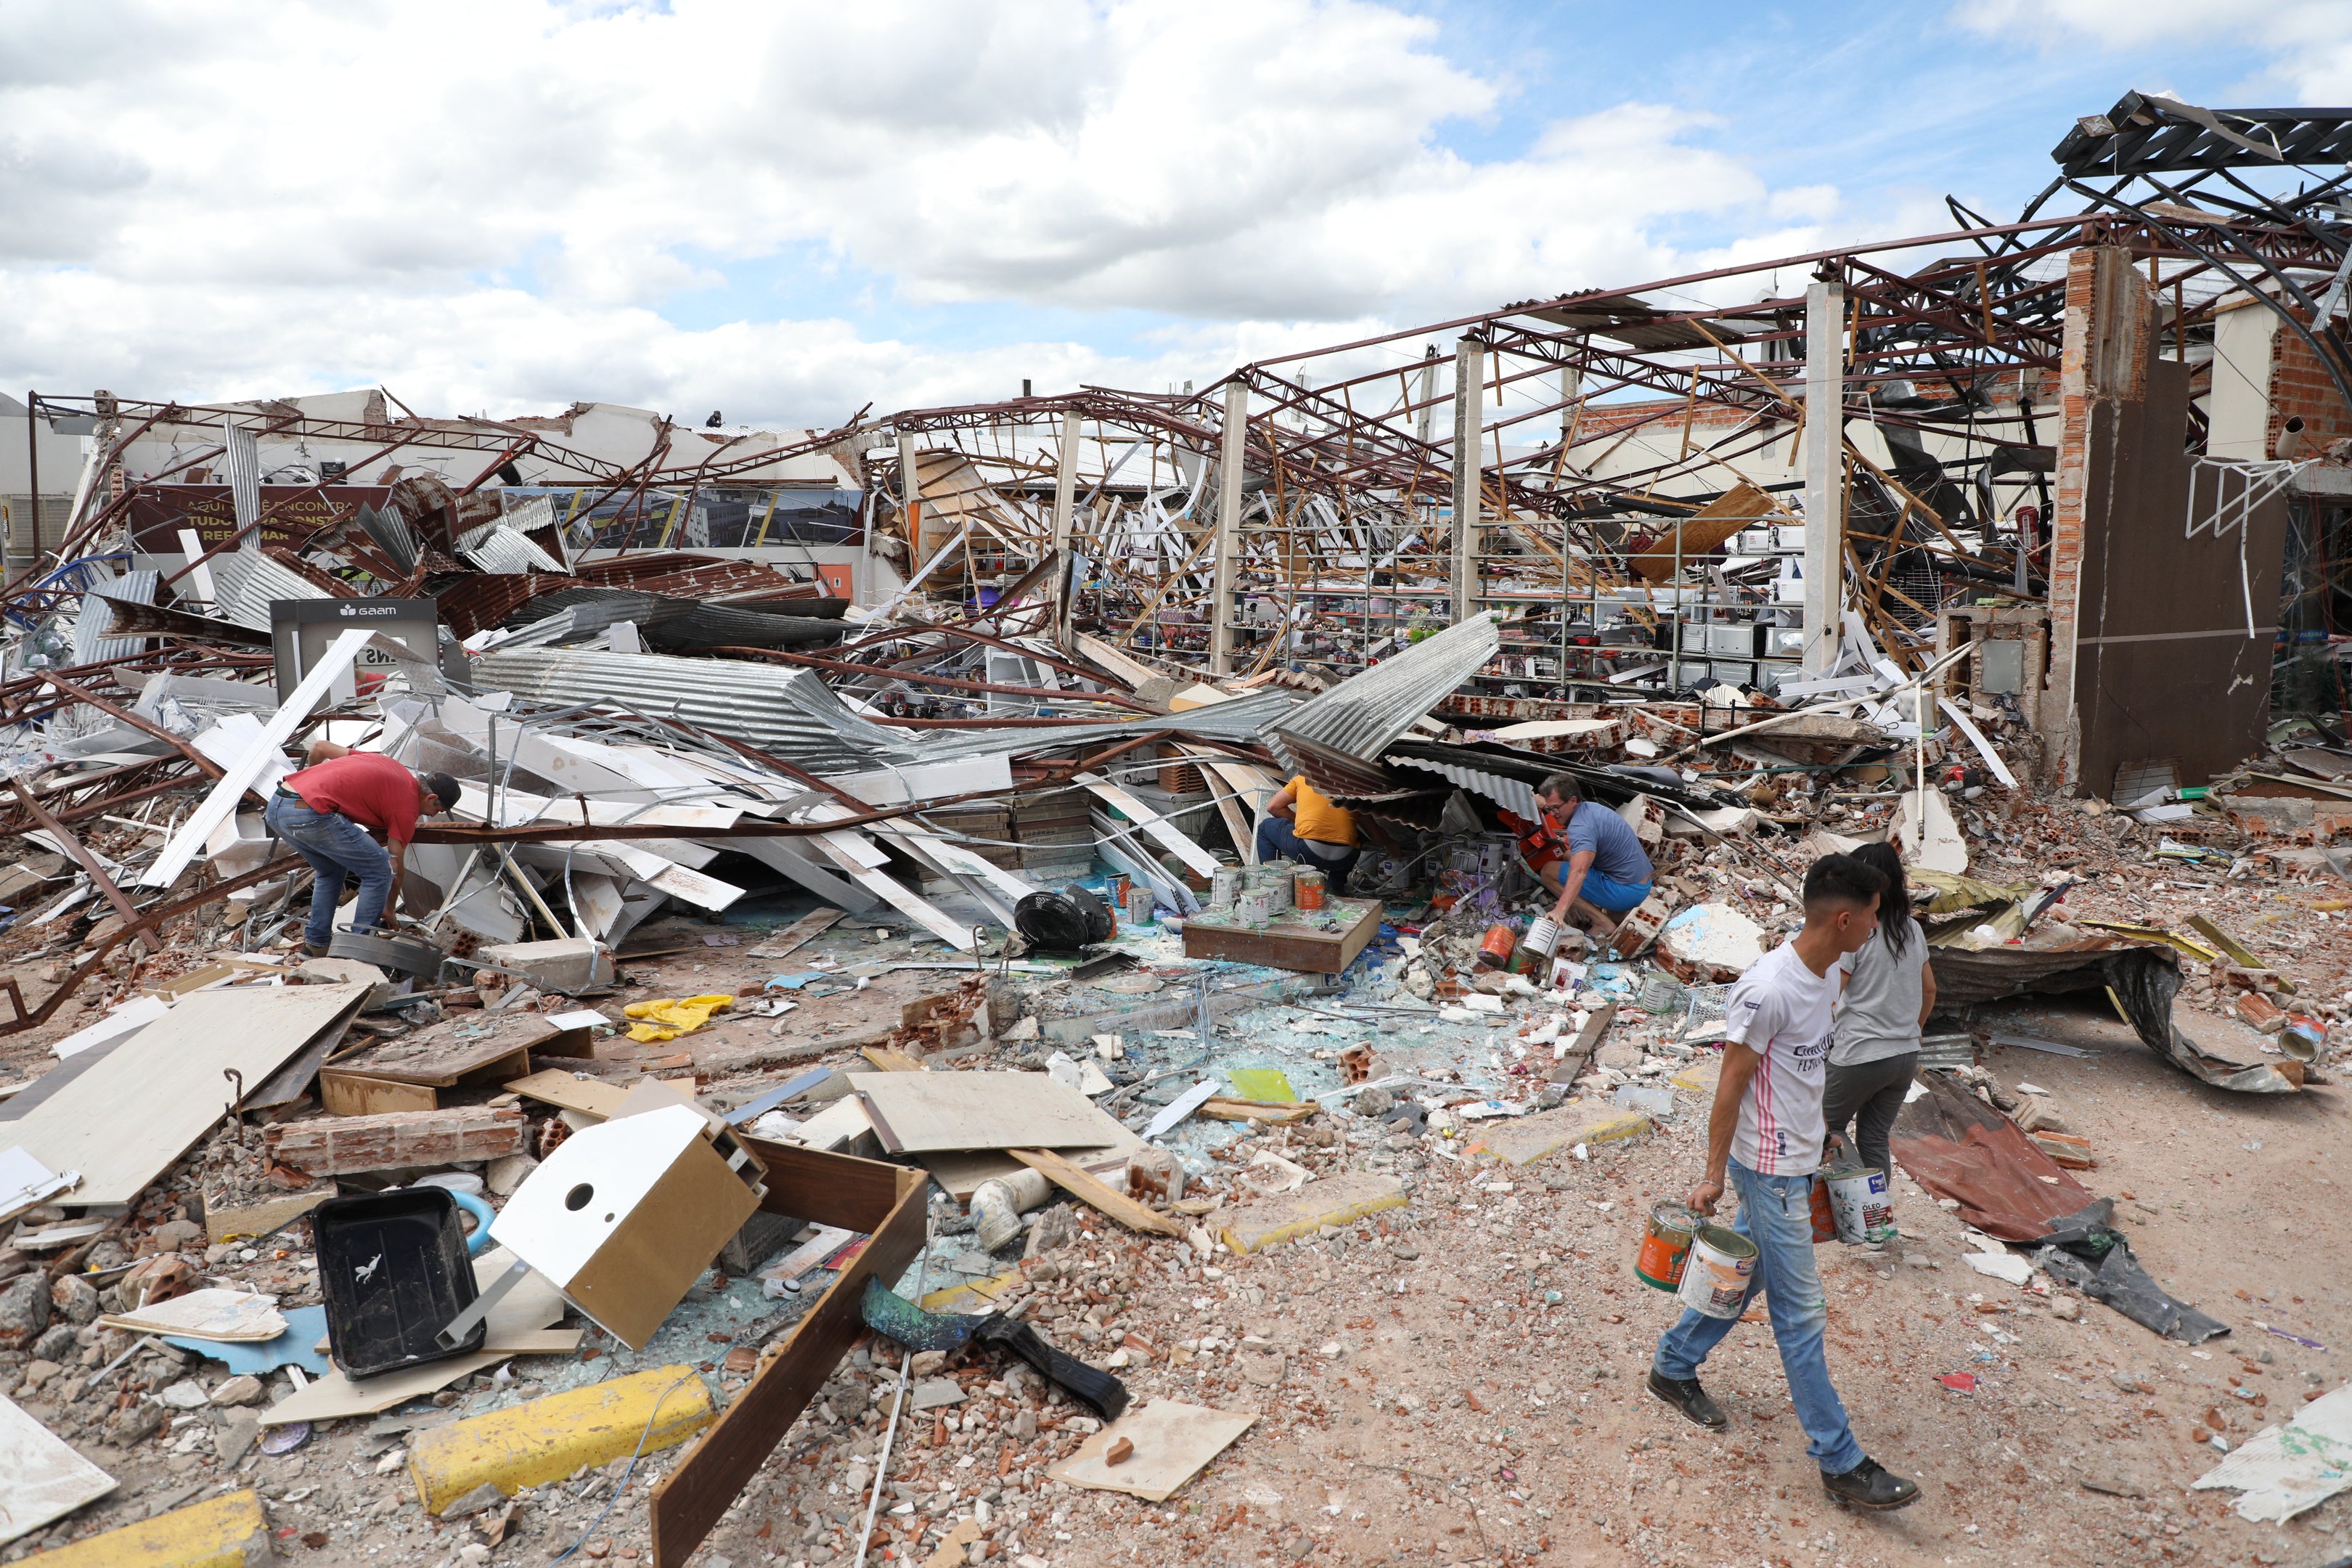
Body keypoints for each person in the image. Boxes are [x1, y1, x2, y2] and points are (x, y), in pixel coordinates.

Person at [1648, 853, 1922, 1511]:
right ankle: (1840, 1459)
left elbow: (1799, 1075)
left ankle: (1672, 1366)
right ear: (1846, 918)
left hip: (1798, 1157)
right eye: (1875, 918)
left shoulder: (1828, 975)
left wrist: (1825, 1133)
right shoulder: (1766, 988)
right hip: (1766, 1170)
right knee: (1800, 1316)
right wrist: (1713, 1176)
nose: (1877, 930)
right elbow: (1731, 1084)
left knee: (1745, 1277)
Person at [265, 743, 462, 958]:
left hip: (278, 804)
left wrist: (311, 783)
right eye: (437, 810)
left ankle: (316, 945)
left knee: (330, 871)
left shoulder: (388, 763)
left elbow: (320, 748)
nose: (434, 816)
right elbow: (395, 865)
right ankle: (359, 949)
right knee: (380, 869)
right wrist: (390, 907)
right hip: (310, 815)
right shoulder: (406, 808)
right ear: (431, 798)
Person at [1823, 841, 1934, 1183]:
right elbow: (1929, 989)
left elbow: (1832, 997)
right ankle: (1876, 1224)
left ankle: (1858, 1205)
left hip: (1859, 1051)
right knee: (1873, 1138)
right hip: (1904, 1055)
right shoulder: (1911, 929)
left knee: (1823, 1129)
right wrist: (1910, 1031)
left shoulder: (1857, 932)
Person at [1522, 774, 1654, 941]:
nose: (1553, 813)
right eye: (1549, 808)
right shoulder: (1590, 809)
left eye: (1556, 808)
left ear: (1573, 801)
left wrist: (1560, 910)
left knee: (1548, 871)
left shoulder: (1581, 828)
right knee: (1568, 855)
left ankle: (1603, 923)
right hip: (1641, 883)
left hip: (1627, 892)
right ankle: (1616, 914)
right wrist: (1541, 801)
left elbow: (1579, 872)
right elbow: (1552, 804)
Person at [1256, 776, 1360, 891]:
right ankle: (1336, 888)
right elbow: (1374, 833)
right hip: (1342, 860)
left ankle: (1273, 885)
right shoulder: (1355, 785)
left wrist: (1299, 822)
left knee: (1266, 827)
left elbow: (1273, 807)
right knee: (1358, 839)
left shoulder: (1303, 778)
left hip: (1305, 851)